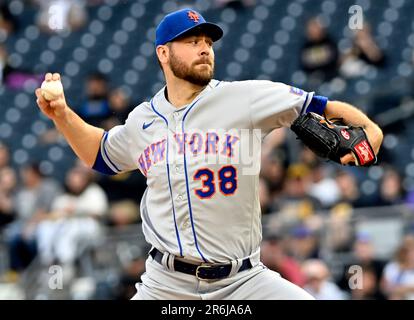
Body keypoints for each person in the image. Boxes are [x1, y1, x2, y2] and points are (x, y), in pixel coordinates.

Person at [35, 8, 383, 300]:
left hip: (244, 282)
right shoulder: (143, 119)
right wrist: (63, 114)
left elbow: (324, 105)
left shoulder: (244, 98)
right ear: (163, 53)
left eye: (207, 42)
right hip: (166, 285)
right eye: (191, 41)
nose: (204, 48)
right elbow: (100, 153)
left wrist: (372, 130)